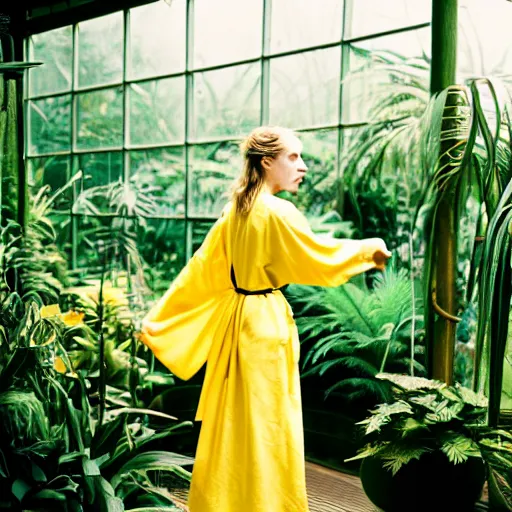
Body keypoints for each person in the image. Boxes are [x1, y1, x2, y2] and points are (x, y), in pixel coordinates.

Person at [140, 126, 391, 512]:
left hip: (236, 325)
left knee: (234, 426)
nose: (302, 166)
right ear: (267, 161)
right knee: (269, 429)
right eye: (293, 157)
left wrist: (161, 322)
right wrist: (368, 251)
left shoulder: (235, 209)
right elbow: (318, 258)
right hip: (265, 328)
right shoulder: (277, 212)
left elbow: (200, 272)